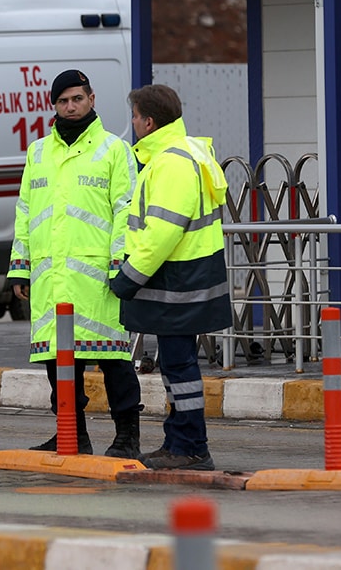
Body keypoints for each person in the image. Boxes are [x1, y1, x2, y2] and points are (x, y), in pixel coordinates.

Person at [8, 69, 144, 458]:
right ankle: (71, 432)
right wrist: (20, 265)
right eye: (63, 101)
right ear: (53, 105)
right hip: (51, 277)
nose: (71, 107)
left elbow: (126, 210)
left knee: (114, 358)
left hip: (99, 279)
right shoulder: (38, 153)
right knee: (59, 360)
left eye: (77, 99)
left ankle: (127, 437)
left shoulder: (114, 150)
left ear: (91, 99)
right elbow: (25, 212)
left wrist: (121, 265)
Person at [109, 84, 230, 471]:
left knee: (179, 368)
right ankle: (180, 441)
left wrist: (128, 278)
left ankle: (190, 446)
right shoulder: (182, 153)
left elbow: (162, 233)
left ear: (148, 122)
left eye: (134, 117)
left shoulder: (170, 162)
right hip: (188, 277)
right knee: (178, 367)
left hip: (178, 281)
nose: (132, 123)